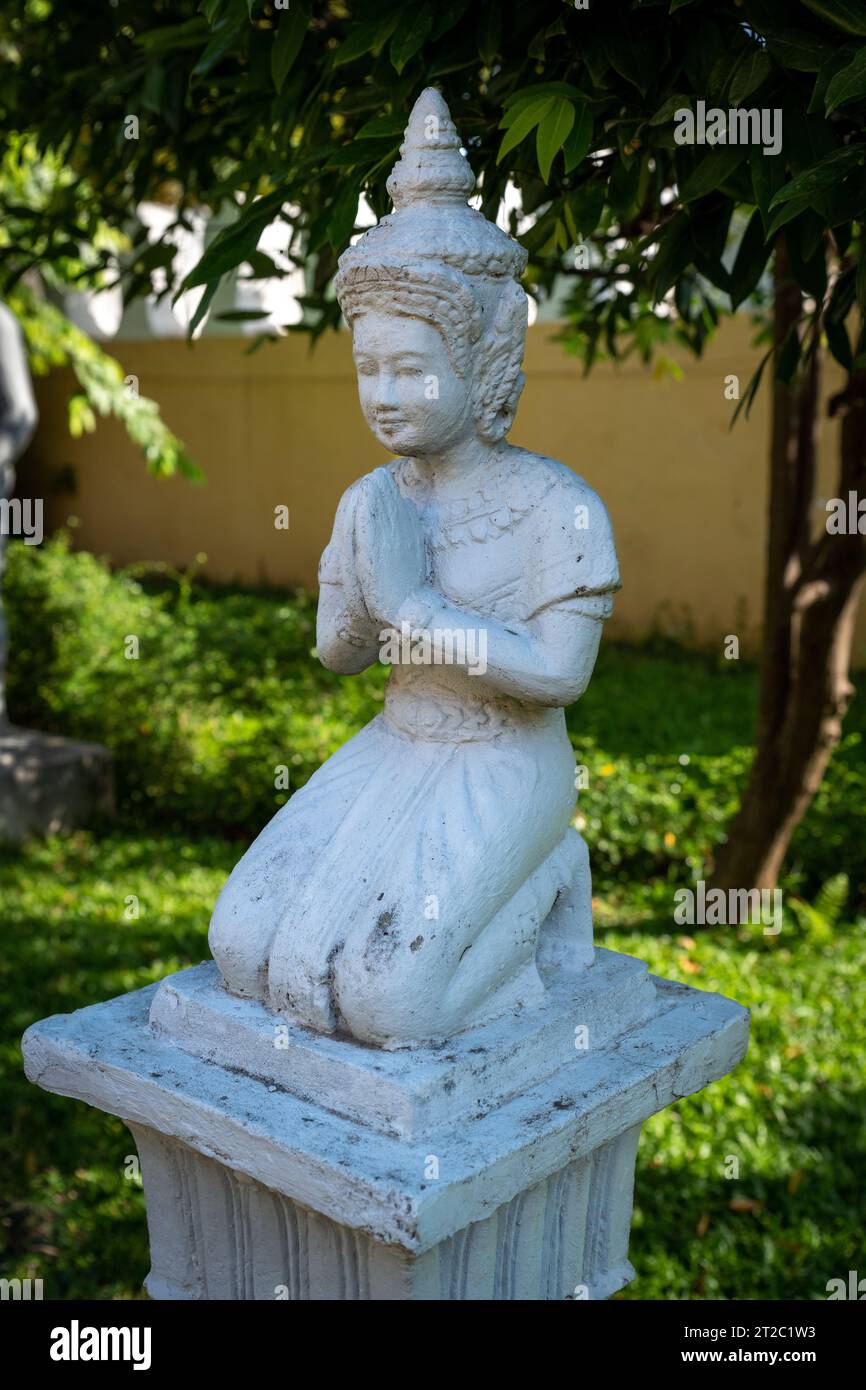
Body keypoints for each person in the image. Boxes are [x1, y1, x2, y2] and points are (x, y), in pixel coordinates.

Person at [209, 90, 620, 1048]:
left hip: (506, 757)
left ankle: (549, 878)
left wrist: (412, 603)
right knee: (245, 945)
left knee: (390, 1002)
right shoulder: (375, 499)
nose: (384, 396)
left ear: (479, 362)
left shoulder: (553, 504)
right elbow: (339, 655)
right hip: (398, 740)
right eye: (368, 370)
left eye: (411, 370)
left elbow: (560, 673)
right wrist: (361, 596)